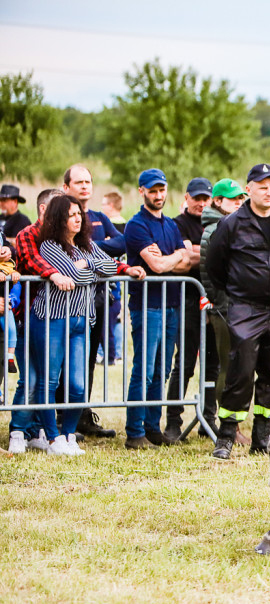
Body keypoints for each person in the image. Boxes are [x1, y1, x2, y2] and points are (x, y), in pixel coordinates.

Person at [206, 164, 270, 459]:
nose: (269, 192)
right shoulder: (232, 224)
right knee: (240, 372)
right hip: (245, 307)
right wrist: (235, 293)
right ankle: (226, 436)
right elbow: (215, 265)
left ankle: (263, 435)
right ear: (249, 189)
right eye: (262, 187)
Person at [30, 194, 123, 455]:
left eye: (79, 214)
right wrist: (92, 270)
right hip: (53, 318)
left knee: (78, 384)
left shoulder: (87, 245)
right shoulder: (49, 245)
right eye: (71, 215)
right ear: (58, 218)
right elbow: (74, 274)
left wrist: (89, 263)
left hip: (82, 319)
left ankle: (69, 435)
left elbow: (111, 267)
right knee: (49, 380)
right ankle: (51, 437)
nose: (77, 219)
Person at [123, 168, 192, 449]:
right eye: (152, 190)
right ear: (142, 192)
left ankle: (152, 427)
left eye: (162, 190)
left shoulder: (171, 225)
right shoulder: (136, 225)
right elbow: (159, 266)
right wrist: (178, 254)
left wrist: (173, 257)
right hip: (148, 305)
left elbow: (187, 263)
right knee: (145, 369)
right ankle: (134, 430)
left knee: (162, 369)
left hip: (172, 304)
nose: (158, 195)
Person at [62, 164, 126, 439]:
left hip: (100, 298)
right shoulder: (61, 215)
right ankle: (60, 417)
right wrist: (96, 256)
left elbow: (122, 242)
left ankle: (83, 415)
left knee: (89, 358)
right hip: (69, 300)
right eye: (79, 182)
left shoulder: (99, 217)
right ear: (66, 187)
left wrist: (90, 251)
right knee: (66, 359)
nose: (85, 186)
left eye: (88, 181)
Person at [9, 188, 67, 454]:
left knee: (48, 378)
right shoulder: (27, 234)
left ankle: (37, 431)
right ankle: (18, 431)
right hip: (26, 318)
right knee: (30, 378)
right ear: (44, 209)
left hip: (52, 318)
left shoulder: (62, 237)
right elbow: (32, 262)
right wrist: (56, 274)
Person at [164, 177, 217, 442]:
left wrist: (197, 252)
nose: (201, 203)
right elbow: (185, 257)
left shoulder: (219, 221)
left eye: (206, 198)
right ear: (186, 198)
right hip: (187, 301)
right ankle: (173, 421)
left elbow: (196, 255)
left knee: (213, 364)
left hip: (214, 301)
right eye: (197, 198)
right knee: (184, 364)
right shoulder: (177, 224)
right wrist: (211, 252)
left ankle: (209, 417)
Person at [199, 178, 247, 444]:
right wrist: (220, 304)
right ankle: (229, 427)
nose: (239, 203)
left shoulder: (229, 225)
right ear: (218, 201)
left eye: (241, 198)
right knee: (228, 370)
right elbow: (211, 273)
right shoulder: (216, 229)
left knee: (235, 368)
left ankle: (233, 424)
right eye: (233, 199)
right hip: (225, 308)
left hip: (235, 307)